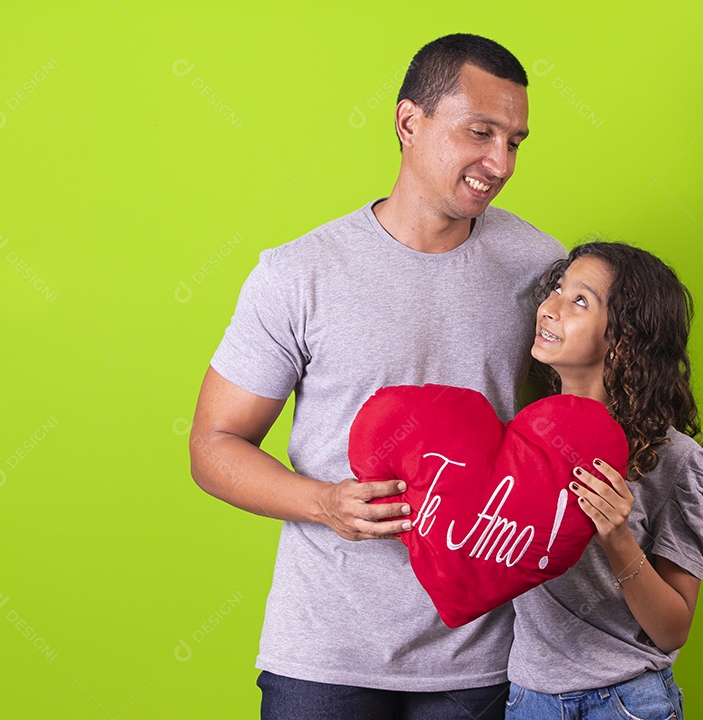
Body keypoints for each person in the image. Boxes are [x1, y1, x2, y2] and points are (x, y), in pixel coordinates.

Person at [188, 34, 564, 719]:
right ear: (408, 122)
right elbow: (213, 447)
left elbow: (568, 429)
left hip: (483, 659)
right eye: (480, 132)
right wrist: (324, 504)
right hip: (323, 657)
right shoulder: (298, 272)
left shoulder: (540, 267)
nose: (499, 162)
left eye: (515, 141)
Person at [505, 242, 703, 719]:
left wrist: (618, 537)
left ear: (623, 339)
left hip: (626, 701)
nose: (550, 308)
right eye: (558, 289)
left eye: (580, 301)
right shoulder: (517, 438)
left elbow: (672, 631)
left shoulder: (677, 463)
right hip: (527, 699)